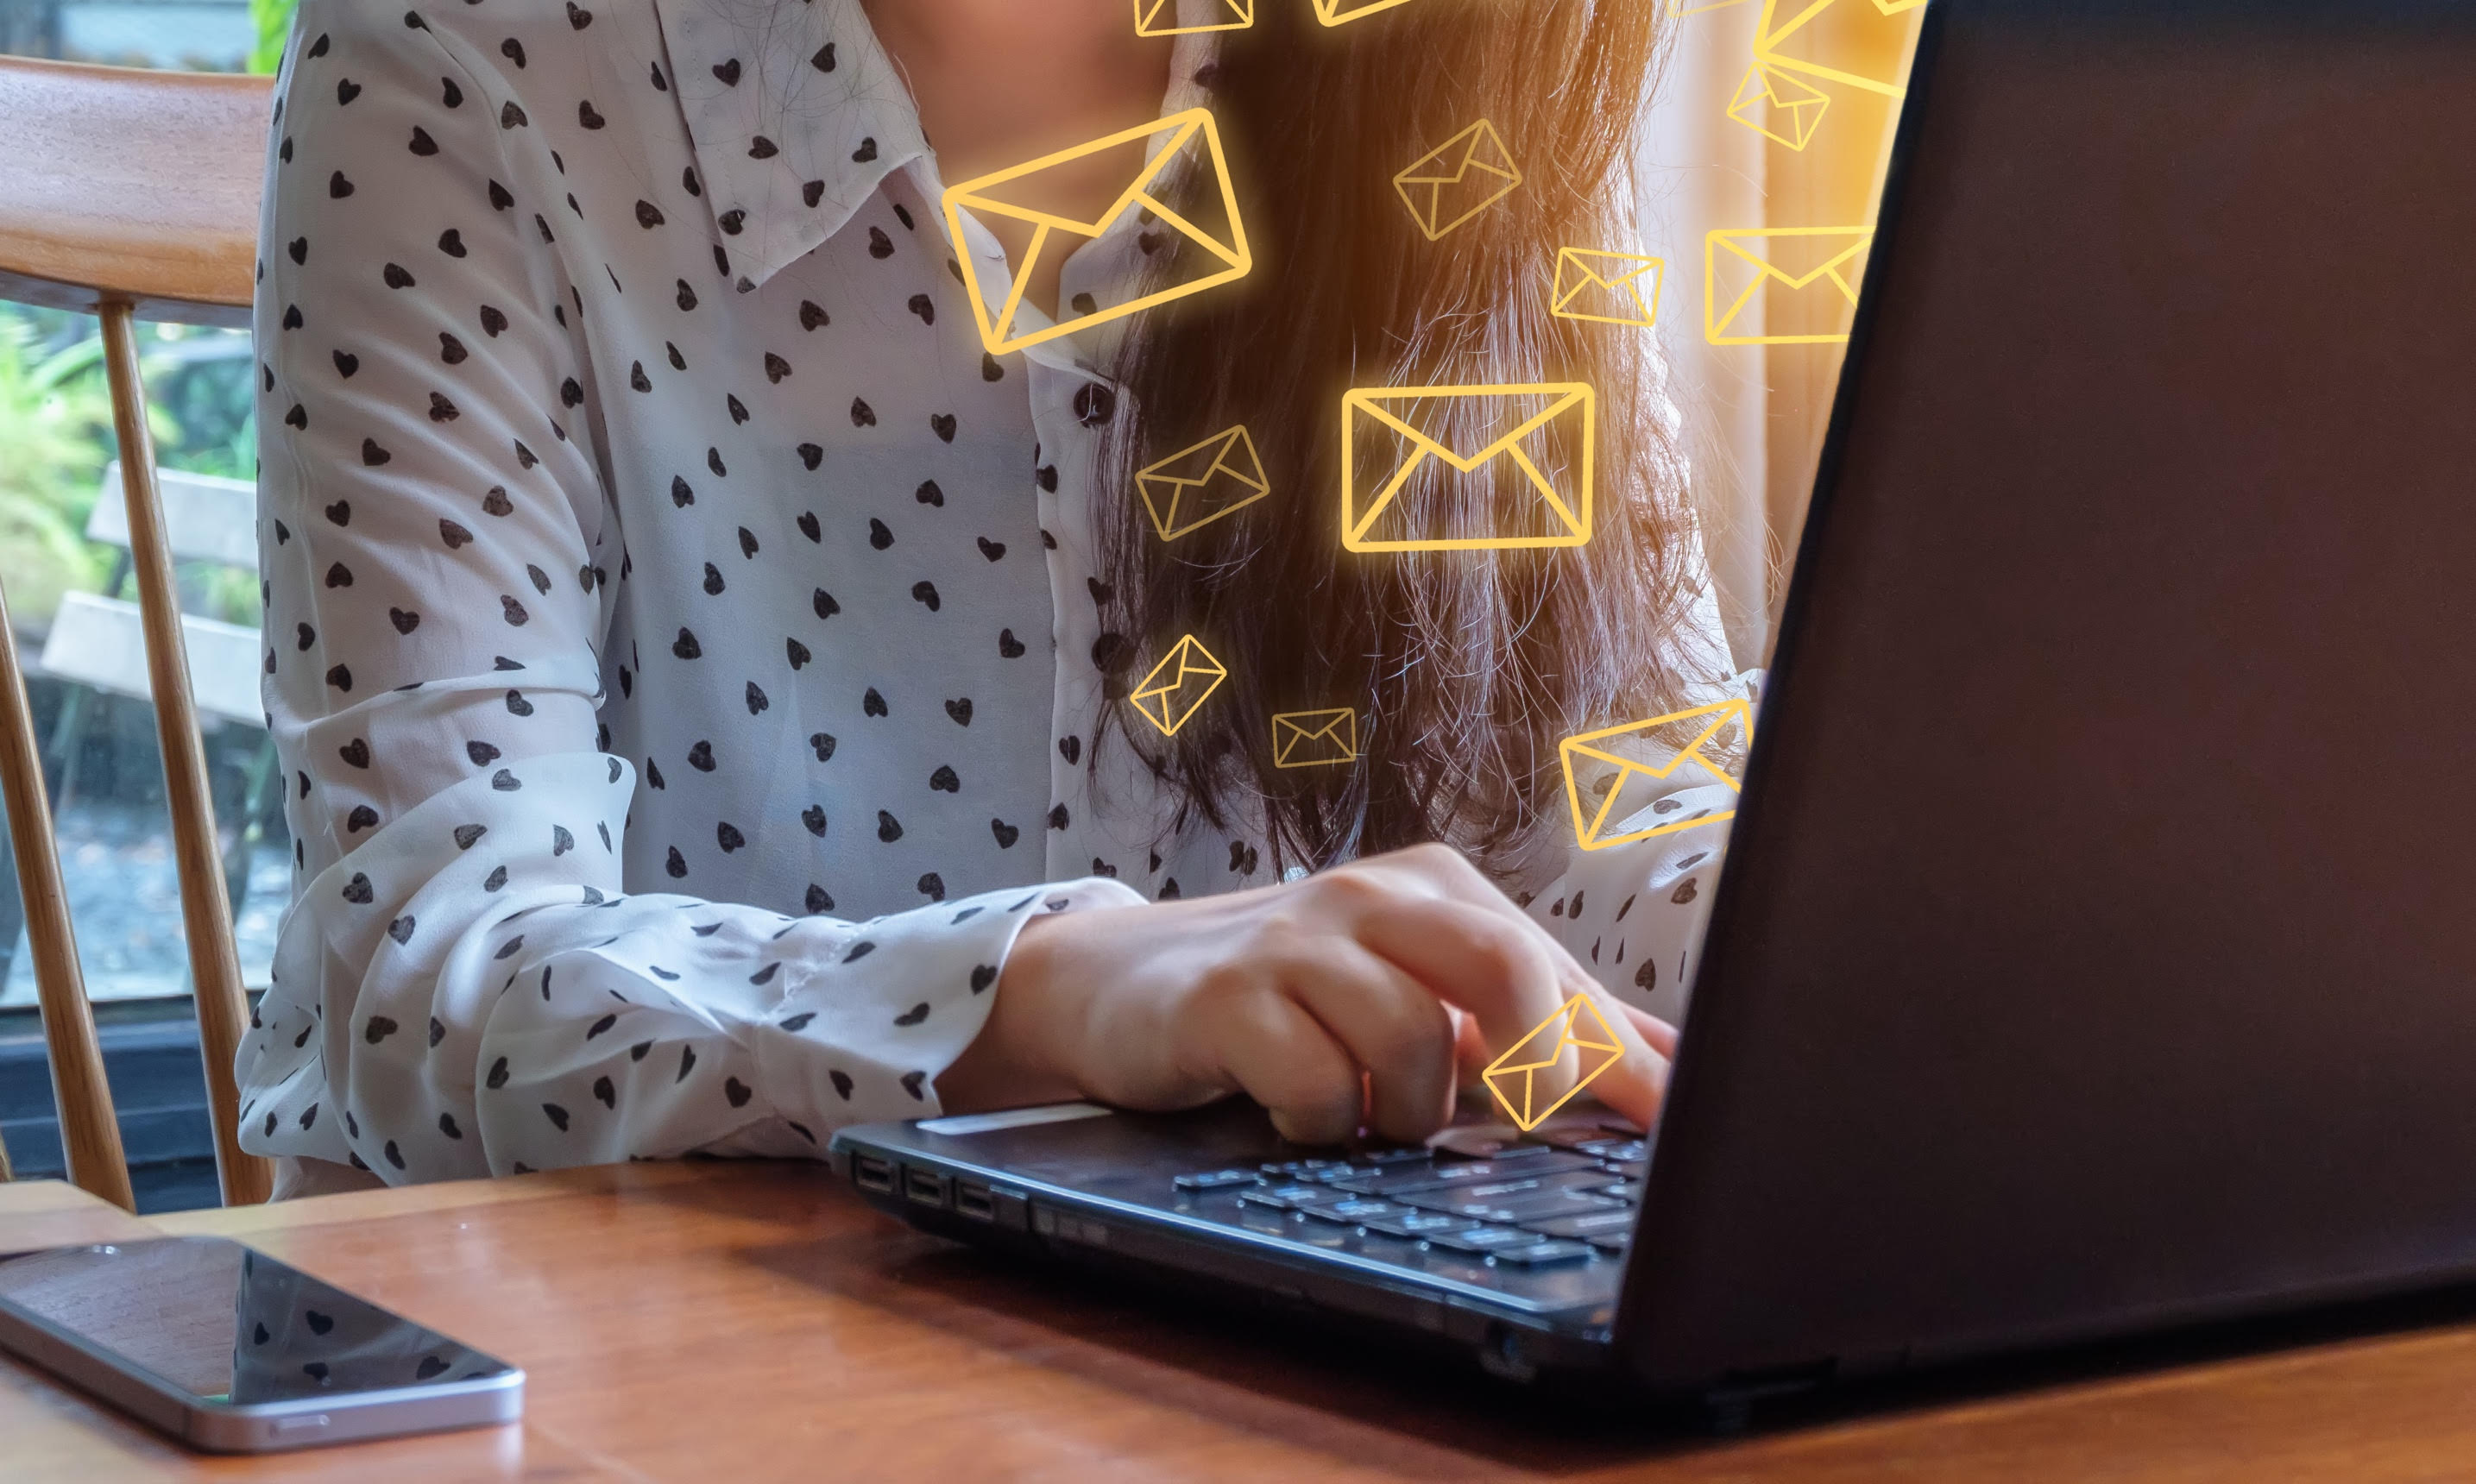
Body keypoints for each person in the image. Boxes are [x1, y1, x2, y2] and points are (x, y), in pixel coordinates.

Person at [237, 0, 1750, 1196]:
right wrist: (1039, 994)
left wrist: (1881, 910)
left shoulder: (1450, 68)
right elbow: (419, 979)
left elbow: (1617, 812)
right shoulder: (460, 47)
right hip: (632, 1372)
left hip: (1259, 1352)